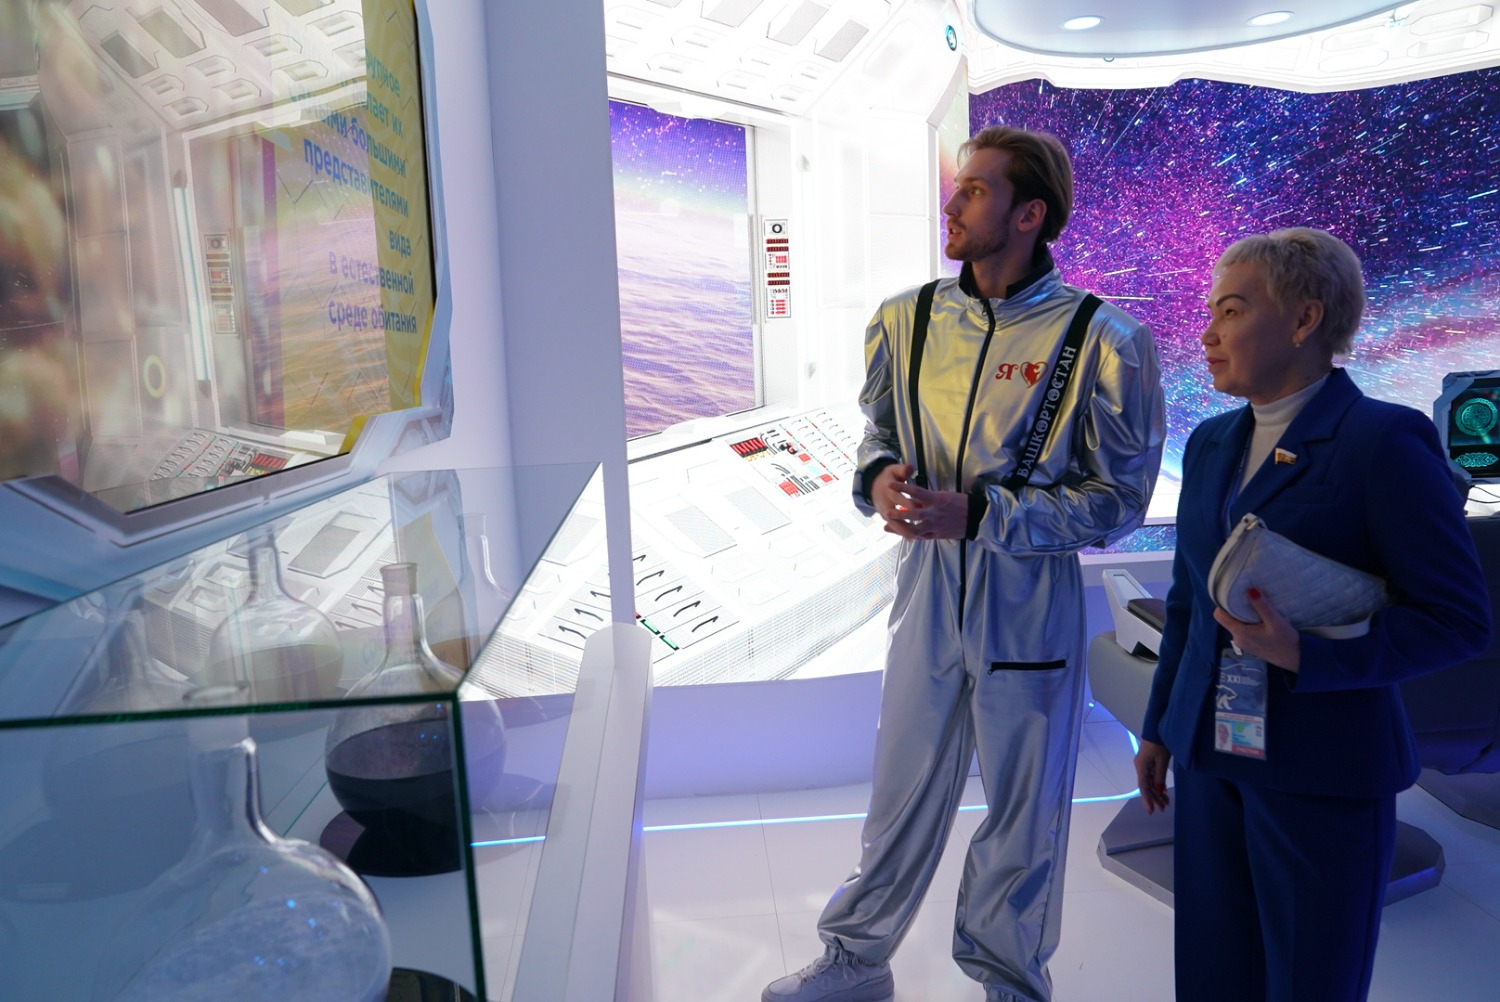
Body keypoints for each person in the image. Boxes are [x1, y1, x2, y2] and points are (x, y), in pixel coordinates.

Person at [763, 126, 1165, 1002]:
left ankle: (1011, 982)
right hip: (926, 591)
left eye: (975, 190)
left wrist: (983, 513)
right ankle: (856, 959)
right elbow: (877, 431)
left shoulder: (1106, 339)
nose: (951, 203)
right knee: (900, 787)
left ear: (1030, 214)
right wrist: (878, 477)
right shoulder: (903, 320)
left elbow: (1119, 503)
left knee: (1025, 807)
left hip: (1030, 600)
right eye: (958, 187)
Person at [1133, 227, 1493, 1002]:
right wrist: (1160, 726)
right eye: (1211, 311)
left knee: (1308, 982)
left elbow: (1458, 619)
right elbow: (1191, 599)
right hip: (1209, 754)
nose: (1208, 333)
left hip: (1322, 767)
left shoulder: (1383, 440)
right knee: (1213, 974)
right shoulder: (1211, 442)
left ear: (1304, 320)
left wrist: (1311, 656)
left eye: (1232, 310)